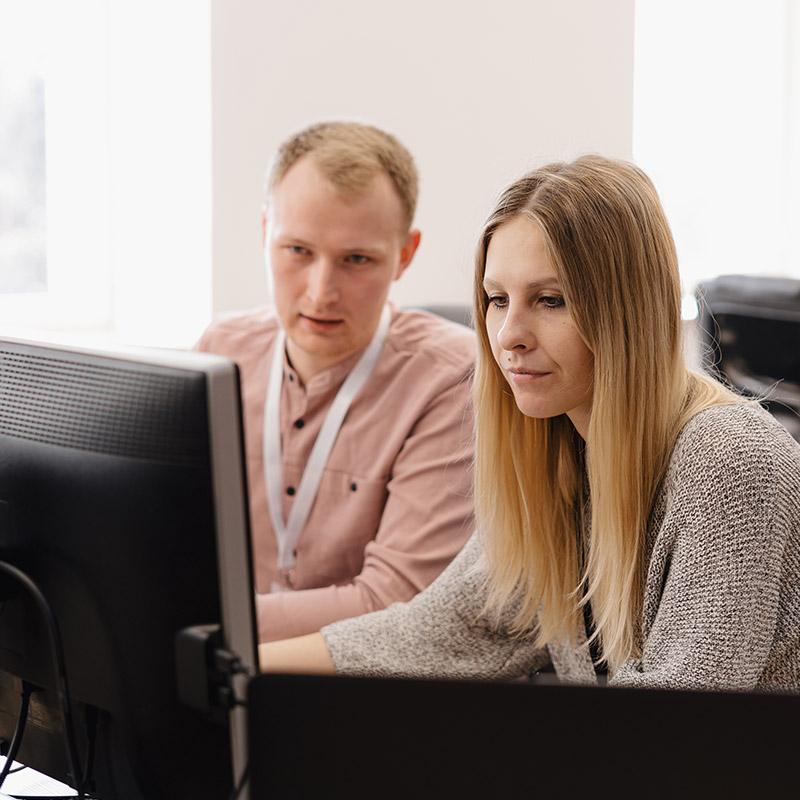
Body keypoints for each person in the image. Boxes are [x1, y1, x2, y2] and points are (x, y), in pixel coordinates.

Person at [258, 155, 800, 691]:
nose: (509, 335)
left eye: (550, 299)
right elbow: (439, 633)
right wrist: (235, 664)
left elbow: (677, 725)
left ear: (626, 310)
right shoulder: (562, 455)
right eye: (497, 300)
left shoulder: (730, 463)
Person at [197, 121, 475, 643]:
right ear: (264, 235)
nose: (321, 292)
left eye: (356, 260)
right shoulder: (220, 350)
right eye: (297, 251)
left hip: (363, 689)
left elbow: (395, 602)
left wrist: (200, 620)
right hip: (220, 676)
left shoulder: (453, 379)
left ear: (405, 255)